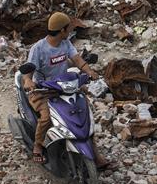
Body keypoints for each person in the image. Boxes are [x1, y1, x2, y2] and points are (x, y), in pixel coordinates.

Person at [24, 12, 105, 166]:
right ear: (62, 30)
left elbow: (77, 59)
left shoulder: (65, 43)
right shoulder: (38, 48)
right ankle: (38, 145)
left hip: (63, 88)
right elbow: (28, 70)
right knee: (46, 117)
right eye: (69, 28)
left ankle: (93, 151)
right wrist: (28, 80)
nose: (70, 31)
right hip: (42, 91)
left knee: (83, 113)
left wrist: (89, 71)